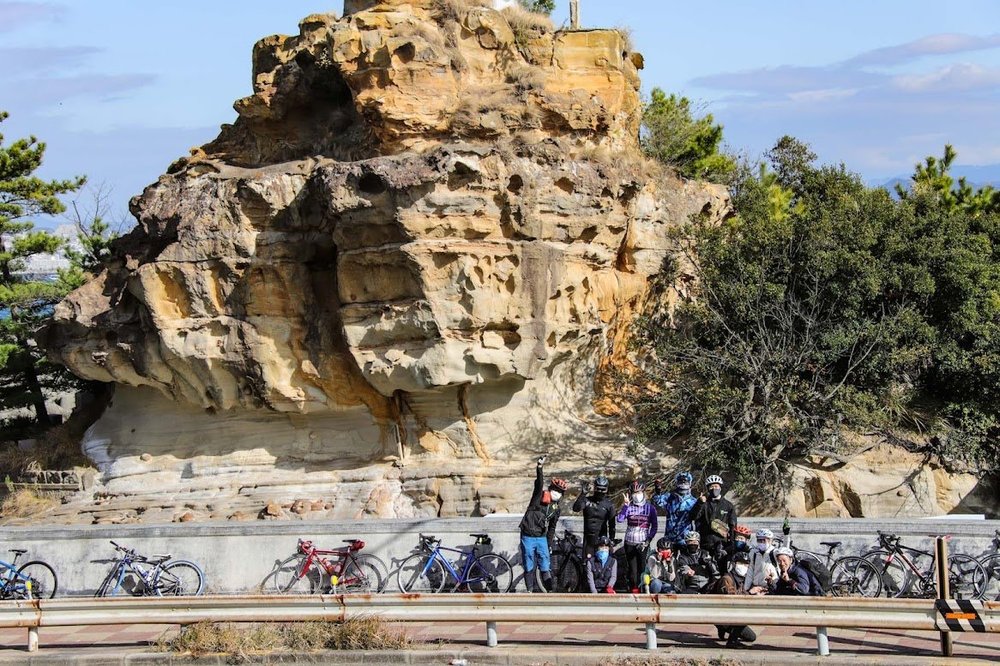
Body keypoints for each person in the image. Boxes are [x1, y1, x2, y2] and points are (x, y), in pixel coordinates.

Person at [519, 456, 567, 592]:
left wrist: (549, 543)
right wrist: (539, 467)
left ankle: (550, 591)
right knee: (528, 566)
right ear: (550, 488)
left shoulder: (556, 509)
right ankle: (529, 590)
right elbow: (539, 483)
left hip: (541, 537)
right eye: (556, 490)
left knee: (545, 566)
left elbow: (552, 528)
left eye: (560, 492)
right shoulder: (538, 497)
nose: (557, 494)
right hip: (527, 535)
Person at [714, 550, 766, 647]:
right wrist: (750, 593)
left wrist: (754, 593)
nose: (744, 566)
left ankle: (724, 629)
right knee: (744, 614)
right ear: (734, 564)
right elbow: (732, 598)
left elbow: (741, 595)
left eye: (746, 564)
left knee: (751, 637)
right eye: (741, 563)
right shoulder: (726, 579)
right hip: (723, 614)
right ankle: (731, 641)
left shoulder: (741, 580)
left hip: (731, 613)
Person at [616, 480, 658, 592]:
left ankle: (644, 589)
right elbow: (619, 519)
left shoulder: (650, 508)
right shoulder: (629, 507)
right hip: (629, 542)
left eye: (639, 492)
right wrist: (625, 506)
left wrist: (649, 539)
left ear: (643, 493)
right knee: (632, 570)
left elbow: (654, 526)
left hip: (643, 542)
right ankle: (634, 589)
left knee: (643, 569)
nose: (637, 495)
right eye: (634, 492)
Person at [690, 474, 737, 567]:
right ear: (708, 488)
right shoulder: (704, 503)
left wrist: (731, 544)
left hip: (722, 543)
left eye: (716, 486)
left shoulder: (728, 505)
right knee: (706, 568)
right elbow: (693, 517)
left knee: (721, 568)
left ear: (720, 487)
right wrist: (699, 503)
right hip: (705, 542)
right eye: (711, 486)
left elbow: (733, 525)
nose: (714, 488)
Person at [572, 475, 616, 558]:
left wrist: (612, 540)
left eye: (603, 489)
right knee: (586, 564)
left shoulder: (609, 505)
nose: (600, 491)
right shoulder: (587, 500)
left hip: (602, 539)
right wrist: (582, 495)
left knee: (601, 564)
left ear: (606, 490)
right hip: (588, 539)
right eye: (598, 489)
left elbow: (612, 524)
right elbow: (576, 509)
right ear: (594, 488)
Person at [652, 471, 697, 547]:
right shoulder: (670, 497)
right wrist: (658, 490)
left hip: (685, 538)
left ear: (689, 483)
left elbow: (697, 517)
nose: (683, 483)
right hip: (670, 537)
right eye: (681, 481)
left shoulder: (693, 501)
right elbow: (657, 501)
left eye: (685, 481)